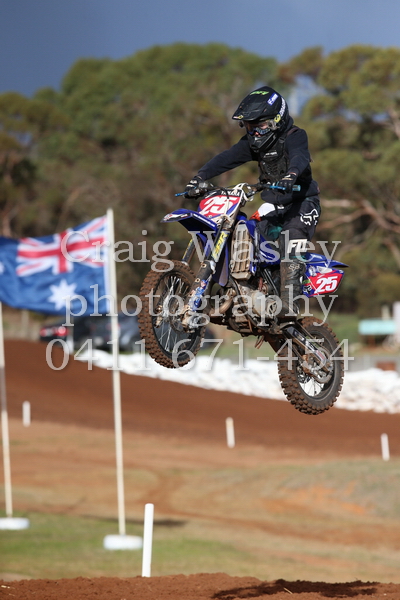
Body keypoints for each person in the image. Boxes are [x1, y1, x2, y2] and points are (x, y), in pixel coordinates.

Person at [184, 85, 320, 319]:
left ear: (277, 120)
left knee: (292, 238)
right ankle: (247, 292)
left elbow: (300, 157)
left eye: (260, 126)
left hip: (302, 203)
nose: (255, 133)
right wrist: (199, 177)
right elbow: (226, 158)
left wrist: (291, 175)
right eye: (249, 127)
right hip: (273, 206)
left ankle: (288, 305)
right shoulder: (252, 143)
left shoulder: (295, 136)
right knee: (246, 236)